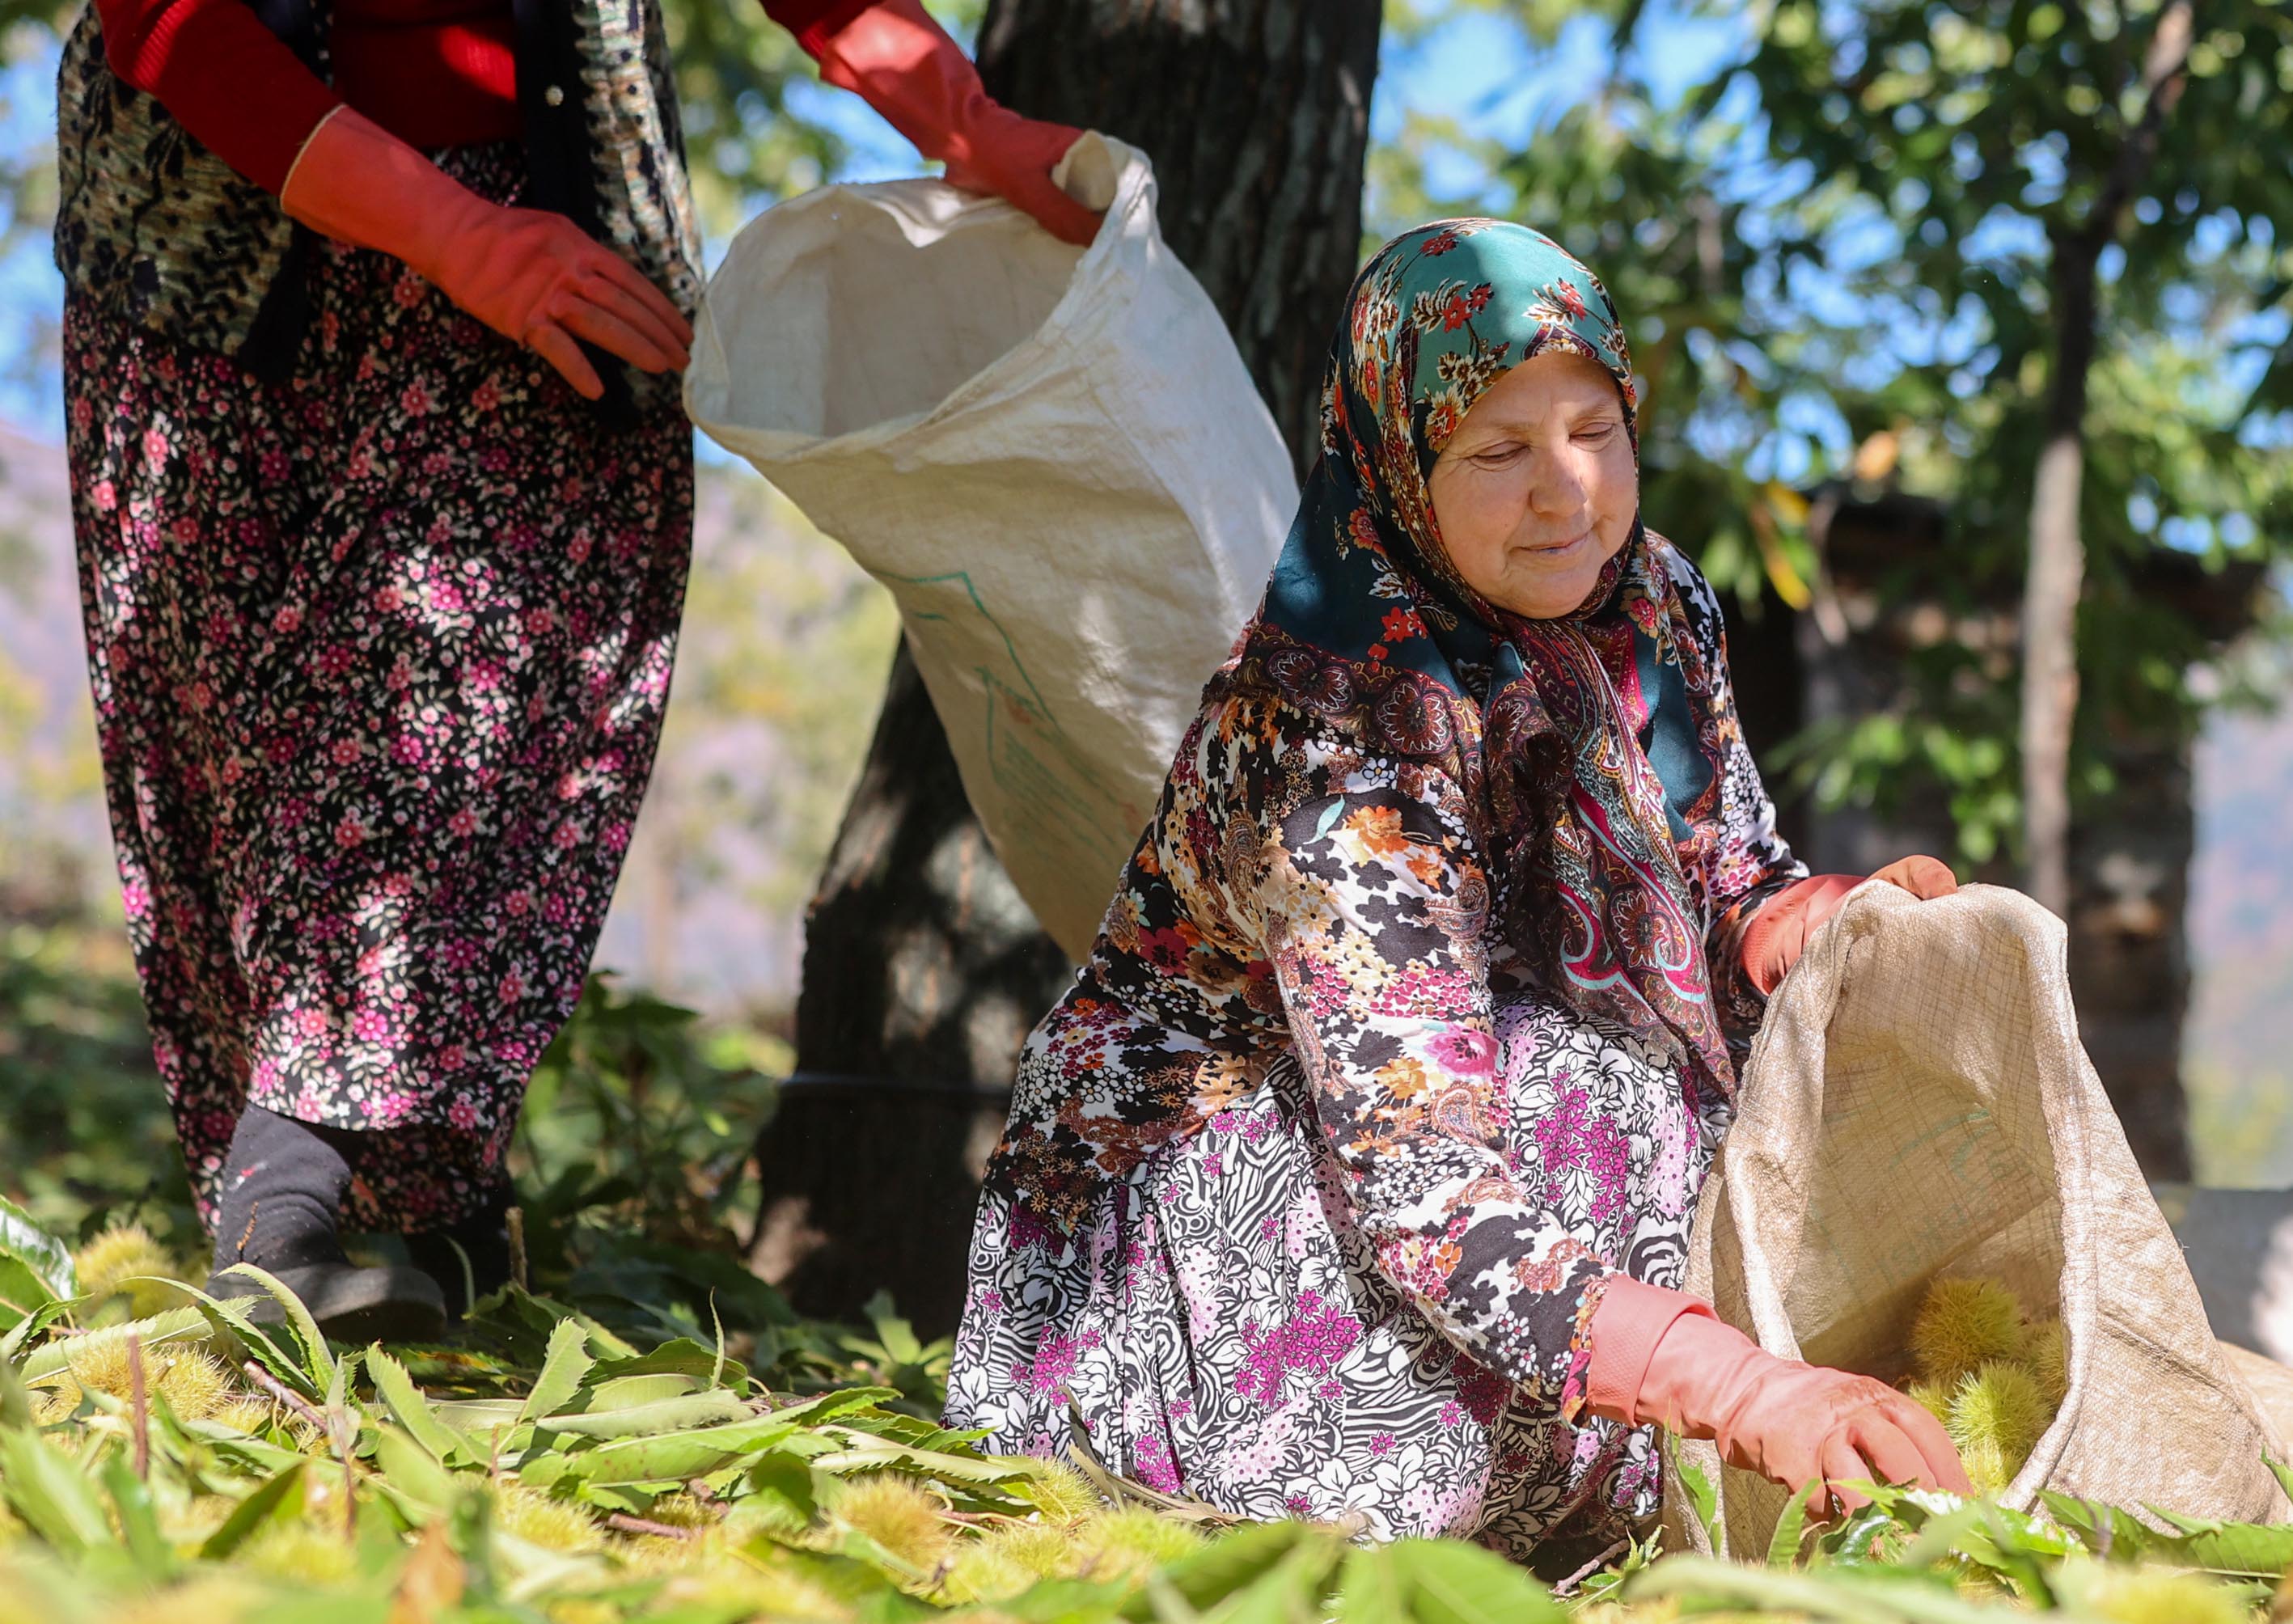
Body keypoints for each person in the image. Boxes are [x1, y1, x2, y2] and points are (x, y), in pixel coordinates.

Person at [56, 0, 1095, 1340]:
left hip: (547, 246)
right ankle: (428, 1211)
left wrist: (967, 122)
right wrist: (452, 238)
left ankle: (291, 1206)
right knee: (228, 756)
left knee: (464, 708)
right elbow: (168, 20)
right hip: (214, 236)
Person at [943, 220, 1972, 1567]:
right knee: (1590, 1084)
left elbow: (1723, 867)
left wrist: (1809, 923)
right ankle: (1394, 1496)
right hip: (1208, 1239)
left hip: (1481, 1166)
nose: (1566, 493)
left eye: (1596, 431)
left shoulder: (1649, 605)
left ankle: (1601, 1469)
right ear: (1399, 462)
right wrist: (1735, 1389)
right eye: (1497, 452)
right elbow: (1422, 1183)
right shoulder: (1332, 741)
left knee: (1652, 1075)